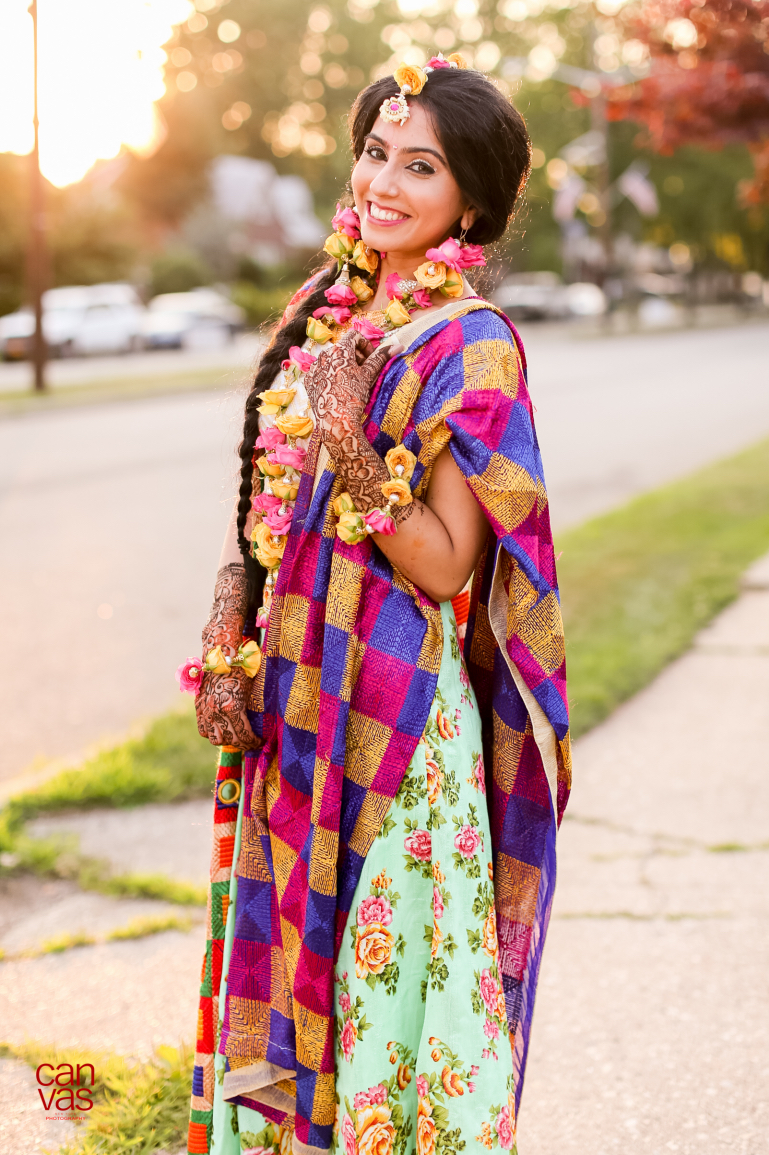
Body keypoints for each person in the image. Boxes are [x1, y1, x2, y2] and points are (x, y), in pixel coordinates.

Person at [180, 55, 571, 1155]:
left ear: (472, 203)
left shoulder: (472, 343)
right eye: (373, 153)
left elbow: (448, 565)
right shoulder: (320, 314)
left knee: (378, 975)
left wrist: (351, 439)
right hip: (290, 700)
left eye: (420, 166)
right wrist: (223, 637)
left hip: (393, 720)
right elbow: (255, 490)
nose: (382, 183)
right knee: (281, 947)